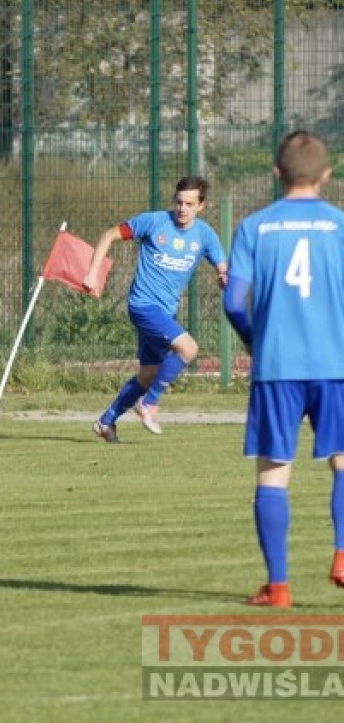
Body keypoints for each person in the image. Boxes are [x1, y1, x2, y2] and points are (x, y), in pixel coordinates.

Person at [223, 130, 344, 609]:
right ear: (326, 175)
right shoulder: (340, 226)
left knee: (274, 471)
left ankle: (278, 587)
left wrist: (257, 340)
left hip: (277, 367)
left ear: (277, 173)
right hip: (337, 364)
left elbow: (234, 302)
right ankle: (342, 554)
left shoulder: (255, 227)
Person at [83, 176, 228, 441]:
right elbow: (109, 235)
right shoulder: (153, 222)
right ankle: (148, 404)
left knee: (149, 374)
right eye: (179, 202)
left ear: (201, 206)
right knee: (189, 348)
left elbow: (222, 266)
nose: (182, 209)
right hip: (142, 305)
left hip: (164, 312)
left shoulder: (205, 235)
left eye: (189, 204)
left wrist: (223, 277)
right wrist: (92, 274)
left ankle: (106, 421)